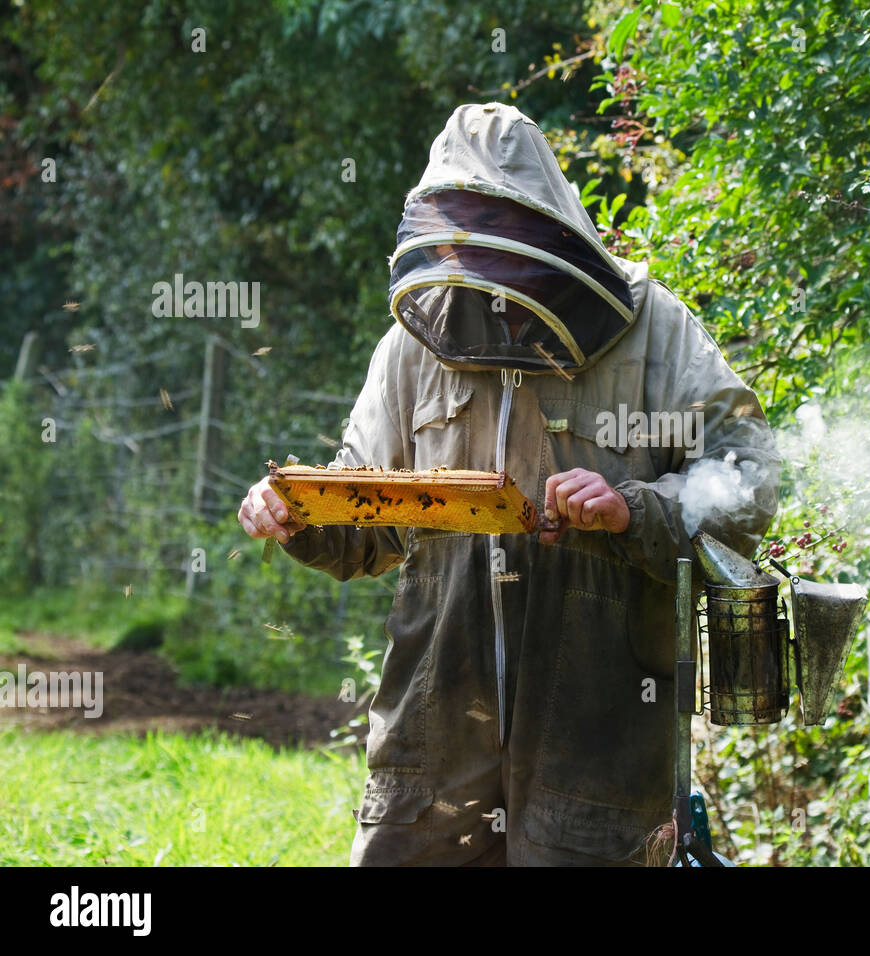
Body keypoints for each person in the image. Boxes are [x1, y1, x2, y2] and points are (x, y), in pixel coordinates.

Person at [237, 102, 779, 865]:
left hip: (596, 738)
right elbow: (365, 520)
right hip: (436, 738)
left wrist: (632, 511)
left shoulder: (653, 329)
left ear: (541, 231)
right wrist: (296, 516)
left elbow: (747, 477)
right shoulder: (413, 344)